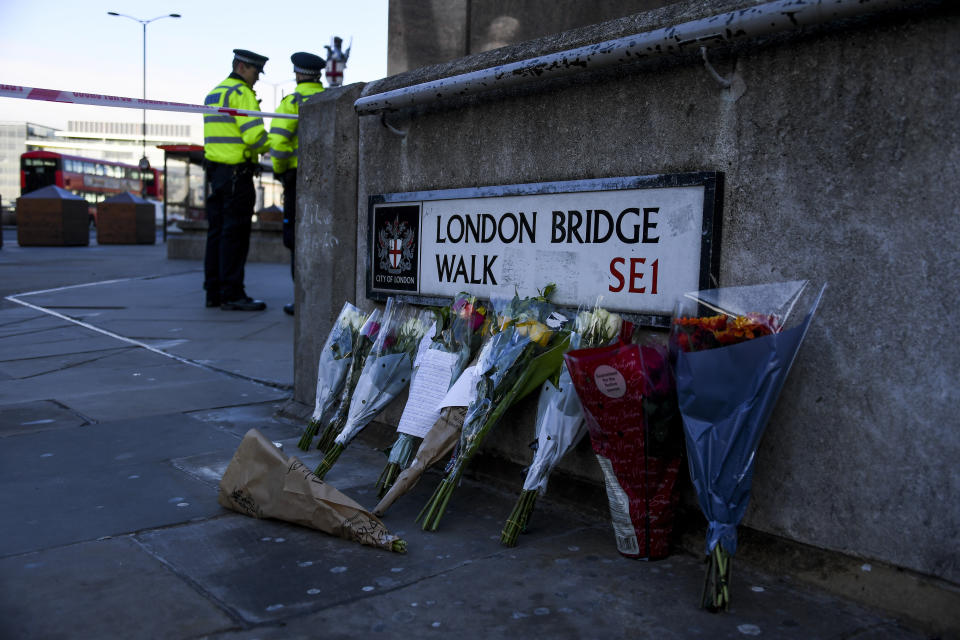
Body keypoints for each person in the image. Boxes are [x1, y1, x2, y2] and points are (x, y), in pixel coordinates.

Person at [202, 49, 271, 311]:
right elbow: (255, 137)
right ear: (242, 67)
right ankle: (232, 293)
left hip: (216, 174)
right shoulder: (241, 94)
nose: (257, 79)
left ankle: (214, 292)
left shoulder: (215, 92)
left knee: (216, 233)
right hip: (237, 176)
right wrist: (272, 143)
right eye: (255, 72)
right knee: (235, 235)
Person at [269, 52, 325, 316]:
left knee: (297, 237)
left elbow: (278, 145)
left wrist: (280, 173)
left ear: (297, 73)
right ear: (319, 74)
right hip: (327, 180)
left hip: (296, 180)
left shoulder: (292, 103)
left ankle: (301, 298)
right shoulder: (330, 99)